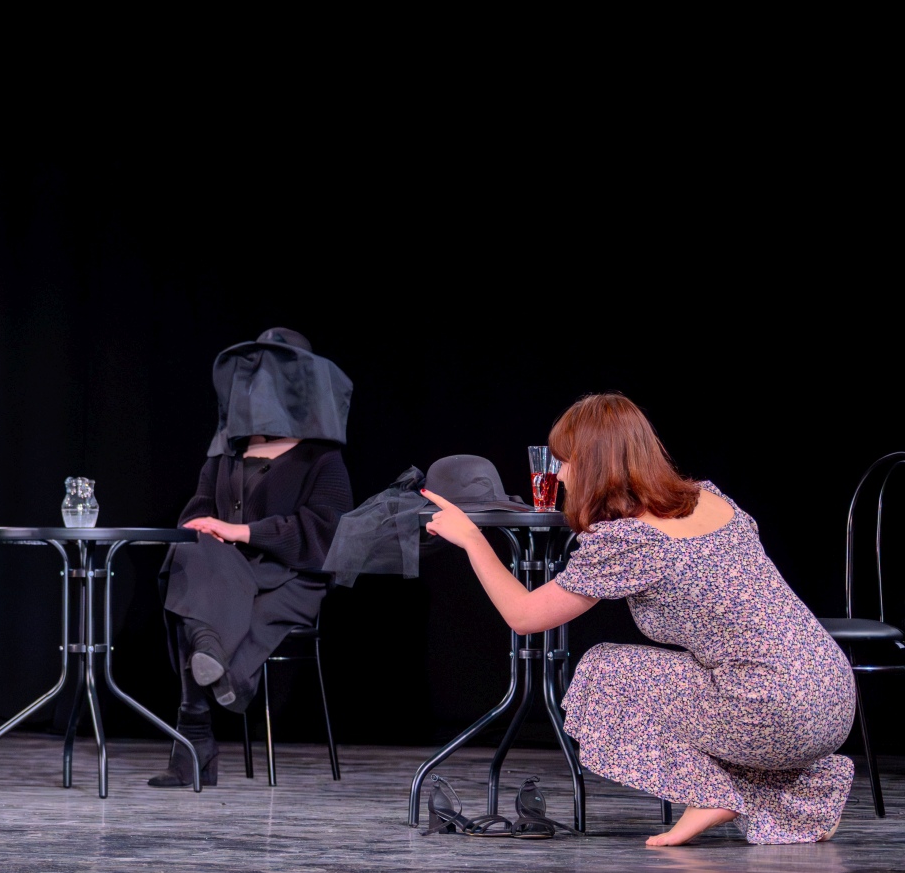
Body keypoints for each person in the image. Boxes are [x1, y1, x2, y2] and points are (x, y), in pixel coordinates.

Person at [421, 393, 853, 845]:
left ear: (595, 464)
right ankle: (800, 800)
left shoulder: (632, 540)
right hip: (833, 694)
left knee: (605, 672)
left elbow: (525, 617)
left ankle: (712, 795)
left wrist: (472, 539)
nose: (560, 474)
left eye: (566, 462)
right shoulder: (710, 498)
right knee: (701, 678)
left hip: (773, 706)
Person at [152, 328, 354, 787]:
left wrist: (242, 531)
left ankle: (196, 731)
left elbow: (326, 532)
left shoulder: (321, 458)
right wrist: (210, 529)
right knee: (190, 558)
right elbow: (198, 511)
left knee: (197, 610)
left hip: (291, 575)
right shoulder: (226, 452)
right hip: (224, 571)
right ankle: (211, 656)